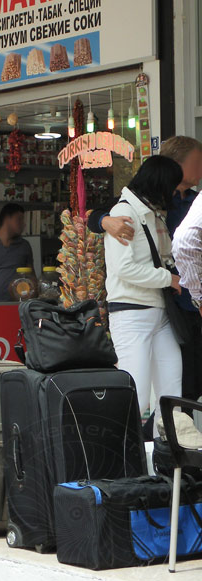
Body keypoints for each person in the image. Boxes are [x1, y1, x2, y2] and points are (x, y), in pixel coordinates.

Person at [88, 136, 202, 402]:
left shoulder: (162, 209)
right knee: (138, 389)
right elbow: (124, 264)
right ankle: (134, 441)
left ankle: (168, 438)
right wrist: (106, 221)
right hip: (142, 306)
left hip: (169, 306)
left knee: (176, 383)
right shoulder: (130, 211)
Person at [105, 155, 183, 435]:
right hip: (131, 314)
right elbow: (123, 268)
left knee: (171, 392)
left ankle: (166, 463)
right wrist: (169, 278)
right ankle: (124, 462)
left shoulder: (150, 212)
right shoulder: (124, 214)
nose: (175, 193)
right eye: (173, 186)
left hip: (157, 312)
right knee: (135, 396)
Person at [0, 202, 34, 302]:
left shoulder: (24, 246)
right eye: (19, 219)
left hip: (17, 304)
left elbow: (32, 278)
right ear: (7, 219)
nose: (23, 224)